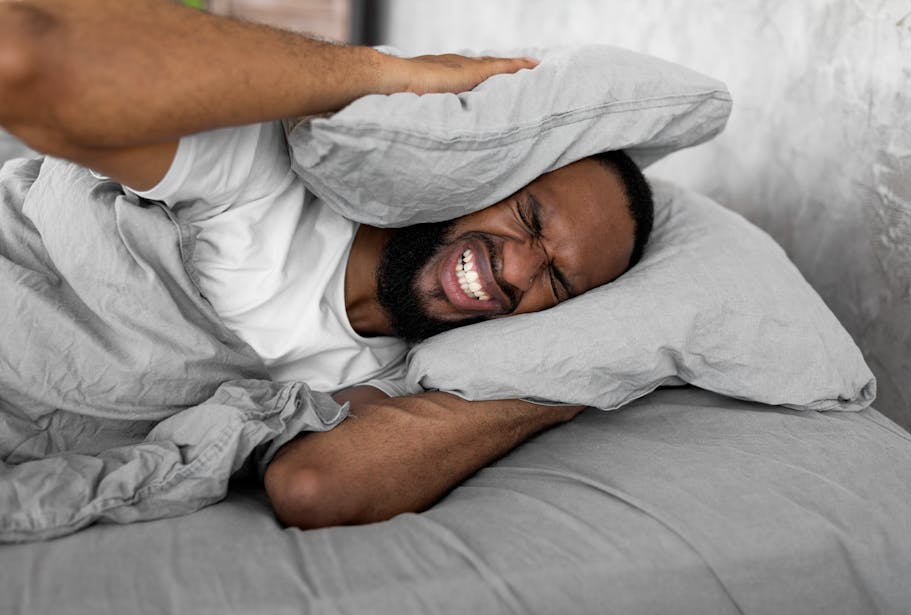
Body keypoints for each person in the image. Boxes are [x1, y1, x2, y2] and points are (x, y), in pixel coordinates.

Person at [0, 0, 653, 529]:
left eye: (558, 282)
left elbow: (314, 487)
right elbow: (25, 57)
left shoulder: (406, 375)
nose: (516, 269)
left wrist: (569, 380)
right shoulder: (267, 173)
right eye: (529, 218)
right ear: (484, 168)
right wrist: (382, 73)